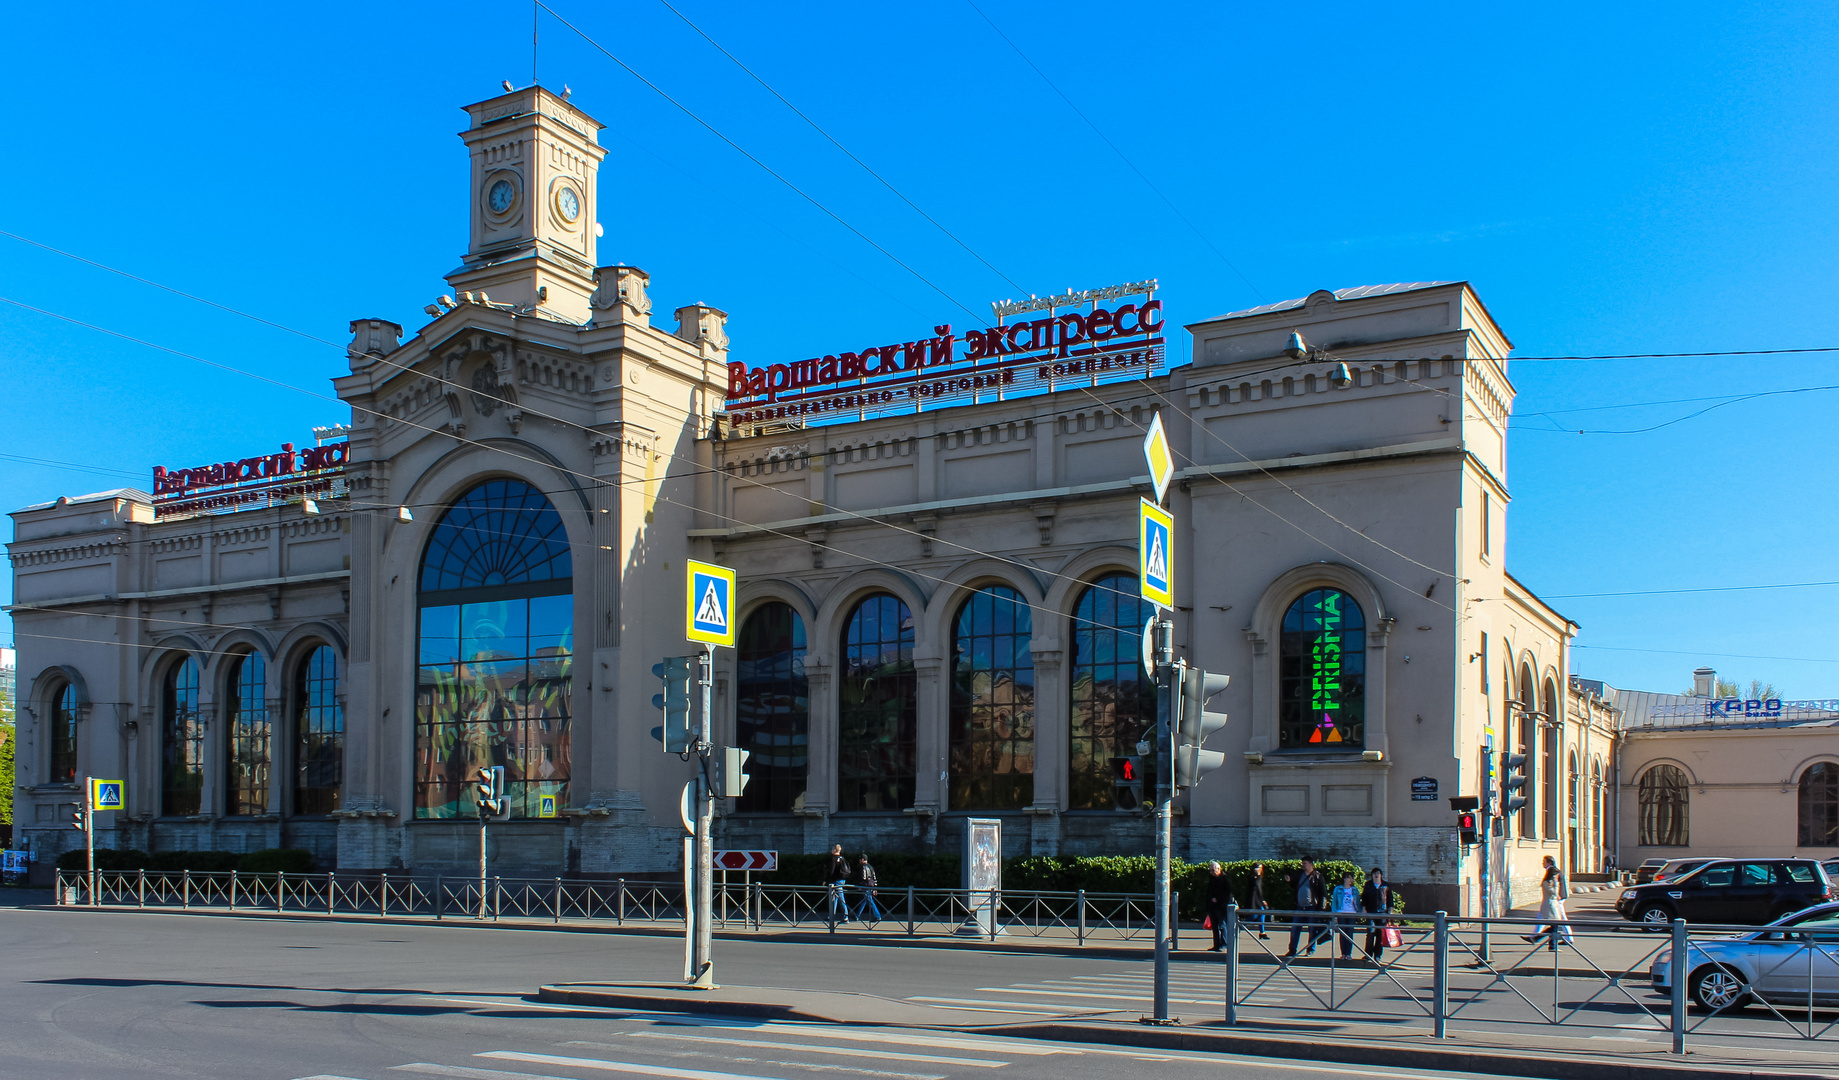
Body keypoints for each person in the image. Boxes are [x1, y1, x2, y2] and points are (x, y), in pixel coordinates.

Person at [1527, 855, 1573, 948]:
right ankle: (1536, 937)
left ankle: (1539, 939)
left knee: (1558, 921)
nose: (1543, 863)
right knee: (1545, 919)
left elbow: (1554, 886)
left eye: (1544, 861)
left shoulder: (1552, 871)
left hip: (1555, 900)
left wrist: (1558, 895)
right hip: (1553, 899)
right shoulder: (1553, 870)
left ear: (1549, 862)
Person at [1283, 858, 1326, 958]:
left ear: (1311, 864)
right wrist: (1289, 881)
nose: (1303, 865)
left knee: (1312, 929)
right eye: (1302, 863)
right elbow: (1294, 885)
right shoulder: (1299, 874)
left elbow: (1323, 892)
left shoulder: (1318, 876)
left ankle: (1310, 949)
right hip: (1299, 906)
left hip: (1312, 907)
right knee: (1295, 929)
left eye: (1305, 863)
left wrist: (1322, 907)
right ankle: (1292, 950)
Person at [1362, 867, 1394, 964]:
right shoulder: (1368, 885)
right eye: (1374, 874)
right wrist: (1364, 908)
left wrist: (1390, 911)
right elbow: (1364, 897)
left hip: (1382, 913)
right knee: (1371, 933)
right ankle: (1368, 955)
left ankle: (1378, 955)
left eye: (1378, 873)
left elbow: (1390, 899)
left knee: (1380, 935)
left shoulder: (1385, 885)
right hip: (1371, 912)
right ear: (1372, 876)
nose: (1376, 875)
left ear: (1381, 875)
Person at [1329, 871, 1361, 959]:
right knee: (1342, 933)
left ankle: (1348, 953)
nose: (1350, 880)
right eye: (1349, 877)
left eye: (1351, 878)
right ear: (1344, 878)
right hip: (1341, 913)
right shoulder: (1338, 889)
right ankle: (1343, 953)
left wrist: (1359, 913)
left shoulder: (1354, 890)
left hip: (1351, 913)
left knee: (1350, 933)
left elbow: (1358, 903)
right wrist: (1334, 916)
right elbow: (1334, 903)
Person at [1205, 862, 1233, 951]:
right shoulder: (1211, 879)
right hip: (1212, 906)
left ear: (1219, 869)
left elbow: (1227, 894)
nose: (1212, 872)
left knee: (1222, 925)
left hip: (1221, 907)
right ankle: (1216, 945)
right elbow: (1209, 892)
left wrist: (1217, 899)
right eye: (1211, 870)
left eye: (1214, 870)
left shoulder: (1225, 879)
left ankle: (1224, 943)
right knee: (1215, 927)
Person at [852, 854, 881, 922]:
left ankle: (877, 915)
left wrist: (860, 885)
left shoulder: (863, 867)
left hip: (865, 885)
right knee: (863, 901)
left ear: (862, 860)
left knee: (869, 900)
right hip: (871, 885)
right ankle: (857, 915)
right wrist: (875, 887)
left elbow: (863, 877)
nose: (859, 861)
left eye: (860, 859)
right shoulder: (870, 867)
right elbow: (874, 877)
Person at [825, 844, 850, 922]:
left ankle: (846, 916)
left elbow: (831, 871)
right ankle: (831, 915)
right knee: (835, 898)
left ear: (835, 850)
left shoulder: (834, 858)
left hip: (837, 880)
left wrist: (826, 880)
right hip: (842, 879)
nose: (831, 850)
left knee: (841, 898)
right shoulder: (842, 858)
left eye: (832, 849)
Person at [1248, 863, 1270, 939]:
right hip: (1254, 899)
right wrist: (1257, 876)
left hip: (1259, 900)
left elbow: (1260, 890)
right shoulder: (1253, 877)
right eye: (1258, 868)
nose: (1260, 870)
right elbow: (1256, 885)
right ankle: (1239, 927)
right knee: (1254, 916)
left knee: (1262, 913)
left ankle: (1262, 932)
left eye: (1261, 868)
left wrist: (1262, 899)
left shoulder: (1259, 878)